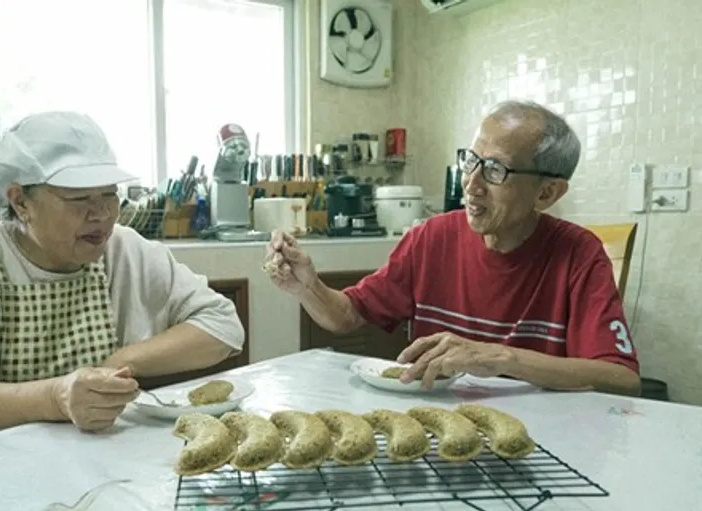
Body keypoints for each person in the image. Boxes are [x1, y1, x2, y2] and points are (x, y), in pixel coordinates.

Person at [264, 100, 641, 396]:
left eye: (495, 170)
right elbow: (346, 316)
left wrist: (500, 357)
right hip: (439, 429)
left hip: (539, 439)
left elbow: (621, 379)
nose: (472, 185)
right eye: (471, 161)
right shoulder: (431, 238)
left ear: (547, 192)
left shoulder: (578, 253)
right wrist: (307, 287)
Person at [0, 111, 245, 444]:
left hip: (94, 456)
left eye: (109, 194)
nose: (101, 214)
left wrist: (120, 361)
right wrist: (57, 397)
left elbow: (224, 328)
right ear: (20, 202)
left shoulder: (123, 249)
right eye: (79, 198)